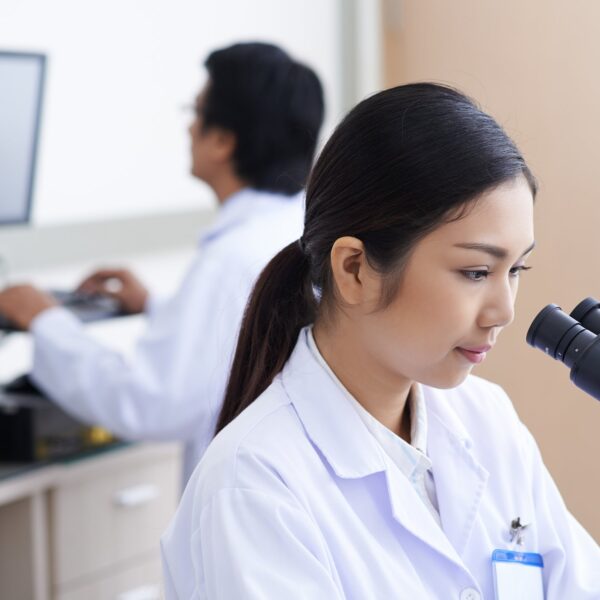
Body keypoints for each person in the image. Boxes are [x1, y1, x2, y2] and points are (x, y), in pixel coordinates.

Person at [161, 83, 600, 598]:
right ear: (354, 269)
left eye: (516, 268)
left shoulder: (486, 419)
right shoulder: (256, 484)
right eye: (476, 271)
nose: (504, 310)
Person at [0, 42, 325, 483]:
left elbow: (151, 402)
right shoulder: (299, 228)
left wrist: (44, 320)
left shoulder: (231, 259)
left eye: (196, 113)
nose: (189, 128)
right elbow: (242, 335)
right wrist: (158, 307)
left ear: (222, 141)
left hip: (251, 493)